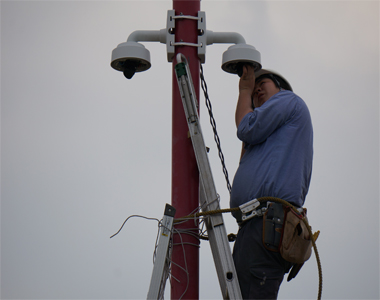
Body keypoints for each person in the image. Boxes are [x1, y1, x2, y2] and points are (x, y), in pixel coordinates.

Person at [230, 65, 313, 299]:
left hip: (266, 223)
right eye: (254, 88)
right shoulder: (273, 133)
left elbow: (246, 127)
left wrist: (244, 90)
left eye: (262, 84)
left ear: (281, 87)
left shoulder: (289, 100)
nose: (256, 90)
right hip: (256, 226)